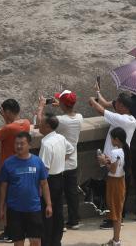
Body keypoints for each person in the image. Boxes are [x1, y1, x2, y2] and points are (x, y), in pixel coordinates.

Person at [89, 89, 136, 230]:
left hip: (114, 161)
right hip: (120, 159)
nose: (116, 105)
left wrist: (92, 101)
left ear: (123, 106)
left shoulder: (122, 119)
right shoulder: (130, 119)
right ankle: (117, 217)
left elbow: (101, 110)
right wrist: (98, 92)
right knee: (117, 193)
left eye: (118, 103)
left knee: (113, 193)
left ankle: (114, 219)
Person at [0, 132, 51, 246]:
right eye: (16, 143)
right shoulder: (8, 163)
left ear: (29, 145)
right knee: (18, 243)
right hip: (14, 210)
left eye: (22, 143)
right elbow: (3, 187)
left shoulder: (37, 161)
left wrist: (49, 204)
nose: (19, 146)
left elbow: (44, 184)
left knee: (36, 242)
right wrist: (0, 208)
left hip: (34, 209)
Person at [0, 99, 32, 243]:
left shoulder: (9, 128)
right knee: (14, 201)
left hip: (5, 169)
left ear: (7, 111)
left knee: (5, 202)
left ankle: (9, 233)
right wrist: (5, 117)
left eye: (3, 111)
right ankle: (13, 230)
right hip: (19, 167)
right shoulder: (26, 123)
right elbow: (10, 129)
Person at [36, 109, 74, 246]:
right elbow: (71, 150)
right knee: (58, 212)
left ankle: (47, 242)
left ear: (47, 126)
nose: (38, 125)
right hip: (59, 178)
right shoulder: (60, 138)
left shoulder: (46, 144)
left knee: (47, 213)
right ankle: (56, 241)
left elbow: (44, 170)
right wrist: (59, 162)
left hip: (49, 182)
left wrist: (40, 188)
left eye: (41, 123)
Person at [52, 90, 84, 231]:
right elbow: (69, 113)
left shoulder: (60, 120)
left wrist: (41, 107)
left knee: (57, 194)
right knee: (72, 193)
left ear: (63, 104)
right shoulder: (80, 118)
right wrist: (61, 105)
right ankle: (74, 220)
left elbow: (43, 124)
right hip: (72, 161)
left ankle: (60, 223)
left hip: (60, 162)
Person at [98, 127, 130, 246]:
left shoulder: (115, 152)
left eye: (111, 138)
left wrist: (103, 161)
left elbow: (112, 169)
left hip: (114, 183)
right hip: (121, 181)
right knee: (117, 211)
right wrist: (107, 161)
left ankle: (116, 241)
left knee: (115, 213)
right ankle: (115, 239)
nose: (111, 141)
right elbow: (117, 165)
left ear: (116, 139)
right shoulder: (124, 150)